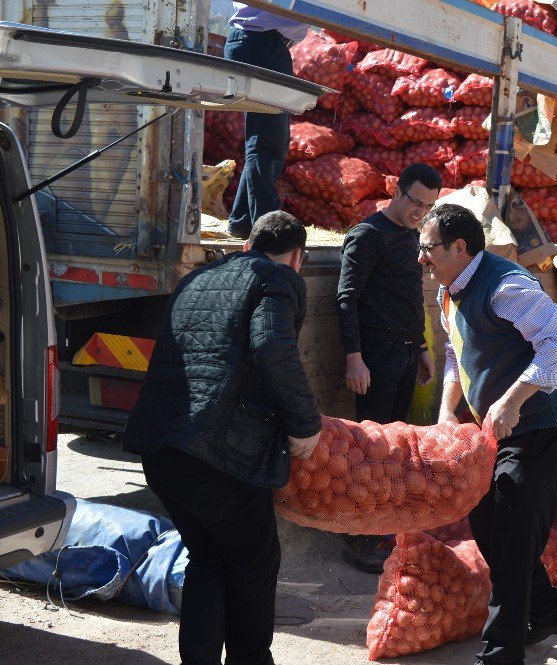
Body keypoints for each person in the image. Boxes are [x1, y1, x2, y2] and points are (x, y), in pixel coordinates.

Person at [123, 211, 323, 665]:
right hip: (218, 457)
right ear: (297, 257)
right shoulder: (278, 279)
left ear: (249, 244)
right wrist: (305, 425)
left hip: (162, 451)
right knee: (254, 564)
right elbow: (273, 346)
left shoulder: (200, 278)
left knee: (210, 560)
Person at [419, 204, 557, 665]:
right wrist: (447, 411)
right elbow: (458, 353)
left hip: (543, 426)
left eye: (428, 248)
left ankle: (500, 653)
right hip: (495, 432)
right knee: (489, 527)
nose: (422, 259)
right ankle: (550, 612)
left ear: (459, 247)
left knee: (509, 537)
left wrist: (511, 401)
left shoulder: (505, 285)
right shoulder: (449, 291)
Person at [336, 162, 441, 573]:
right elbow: (347, 299)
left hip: (404, 354)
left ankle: (380, 528)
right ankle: (357, 536)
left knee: (392, 443)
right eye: (416, 202)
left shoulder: (413, 238)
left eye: (428, 207)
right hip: (374, 356)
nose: (420, 212)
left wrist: (421, 347)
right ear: (397, 192)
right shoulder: (367, 236)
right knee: (370, 447)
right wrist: (354, 357)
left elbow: (410, 296)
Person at [225, 4, 310, 239]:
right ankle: (268, 232)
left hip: (254, 41)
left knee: (268, 140)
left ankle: (242, 220)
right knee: (266, 142)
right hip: (262, 44)